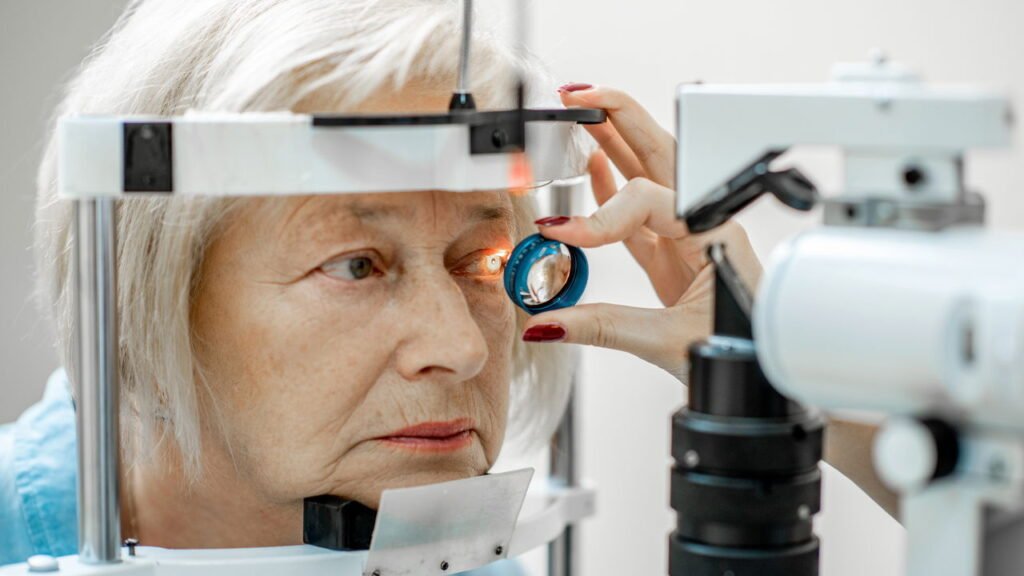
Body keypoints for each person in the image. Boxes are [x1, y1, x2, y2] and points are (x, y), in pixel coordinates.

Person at [0, 0, 894, 569]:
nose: (463, 347)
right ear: (148, 297)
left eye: (484, 262)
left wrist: (772, 367)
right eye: (356, 265)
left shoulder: (450, 549)